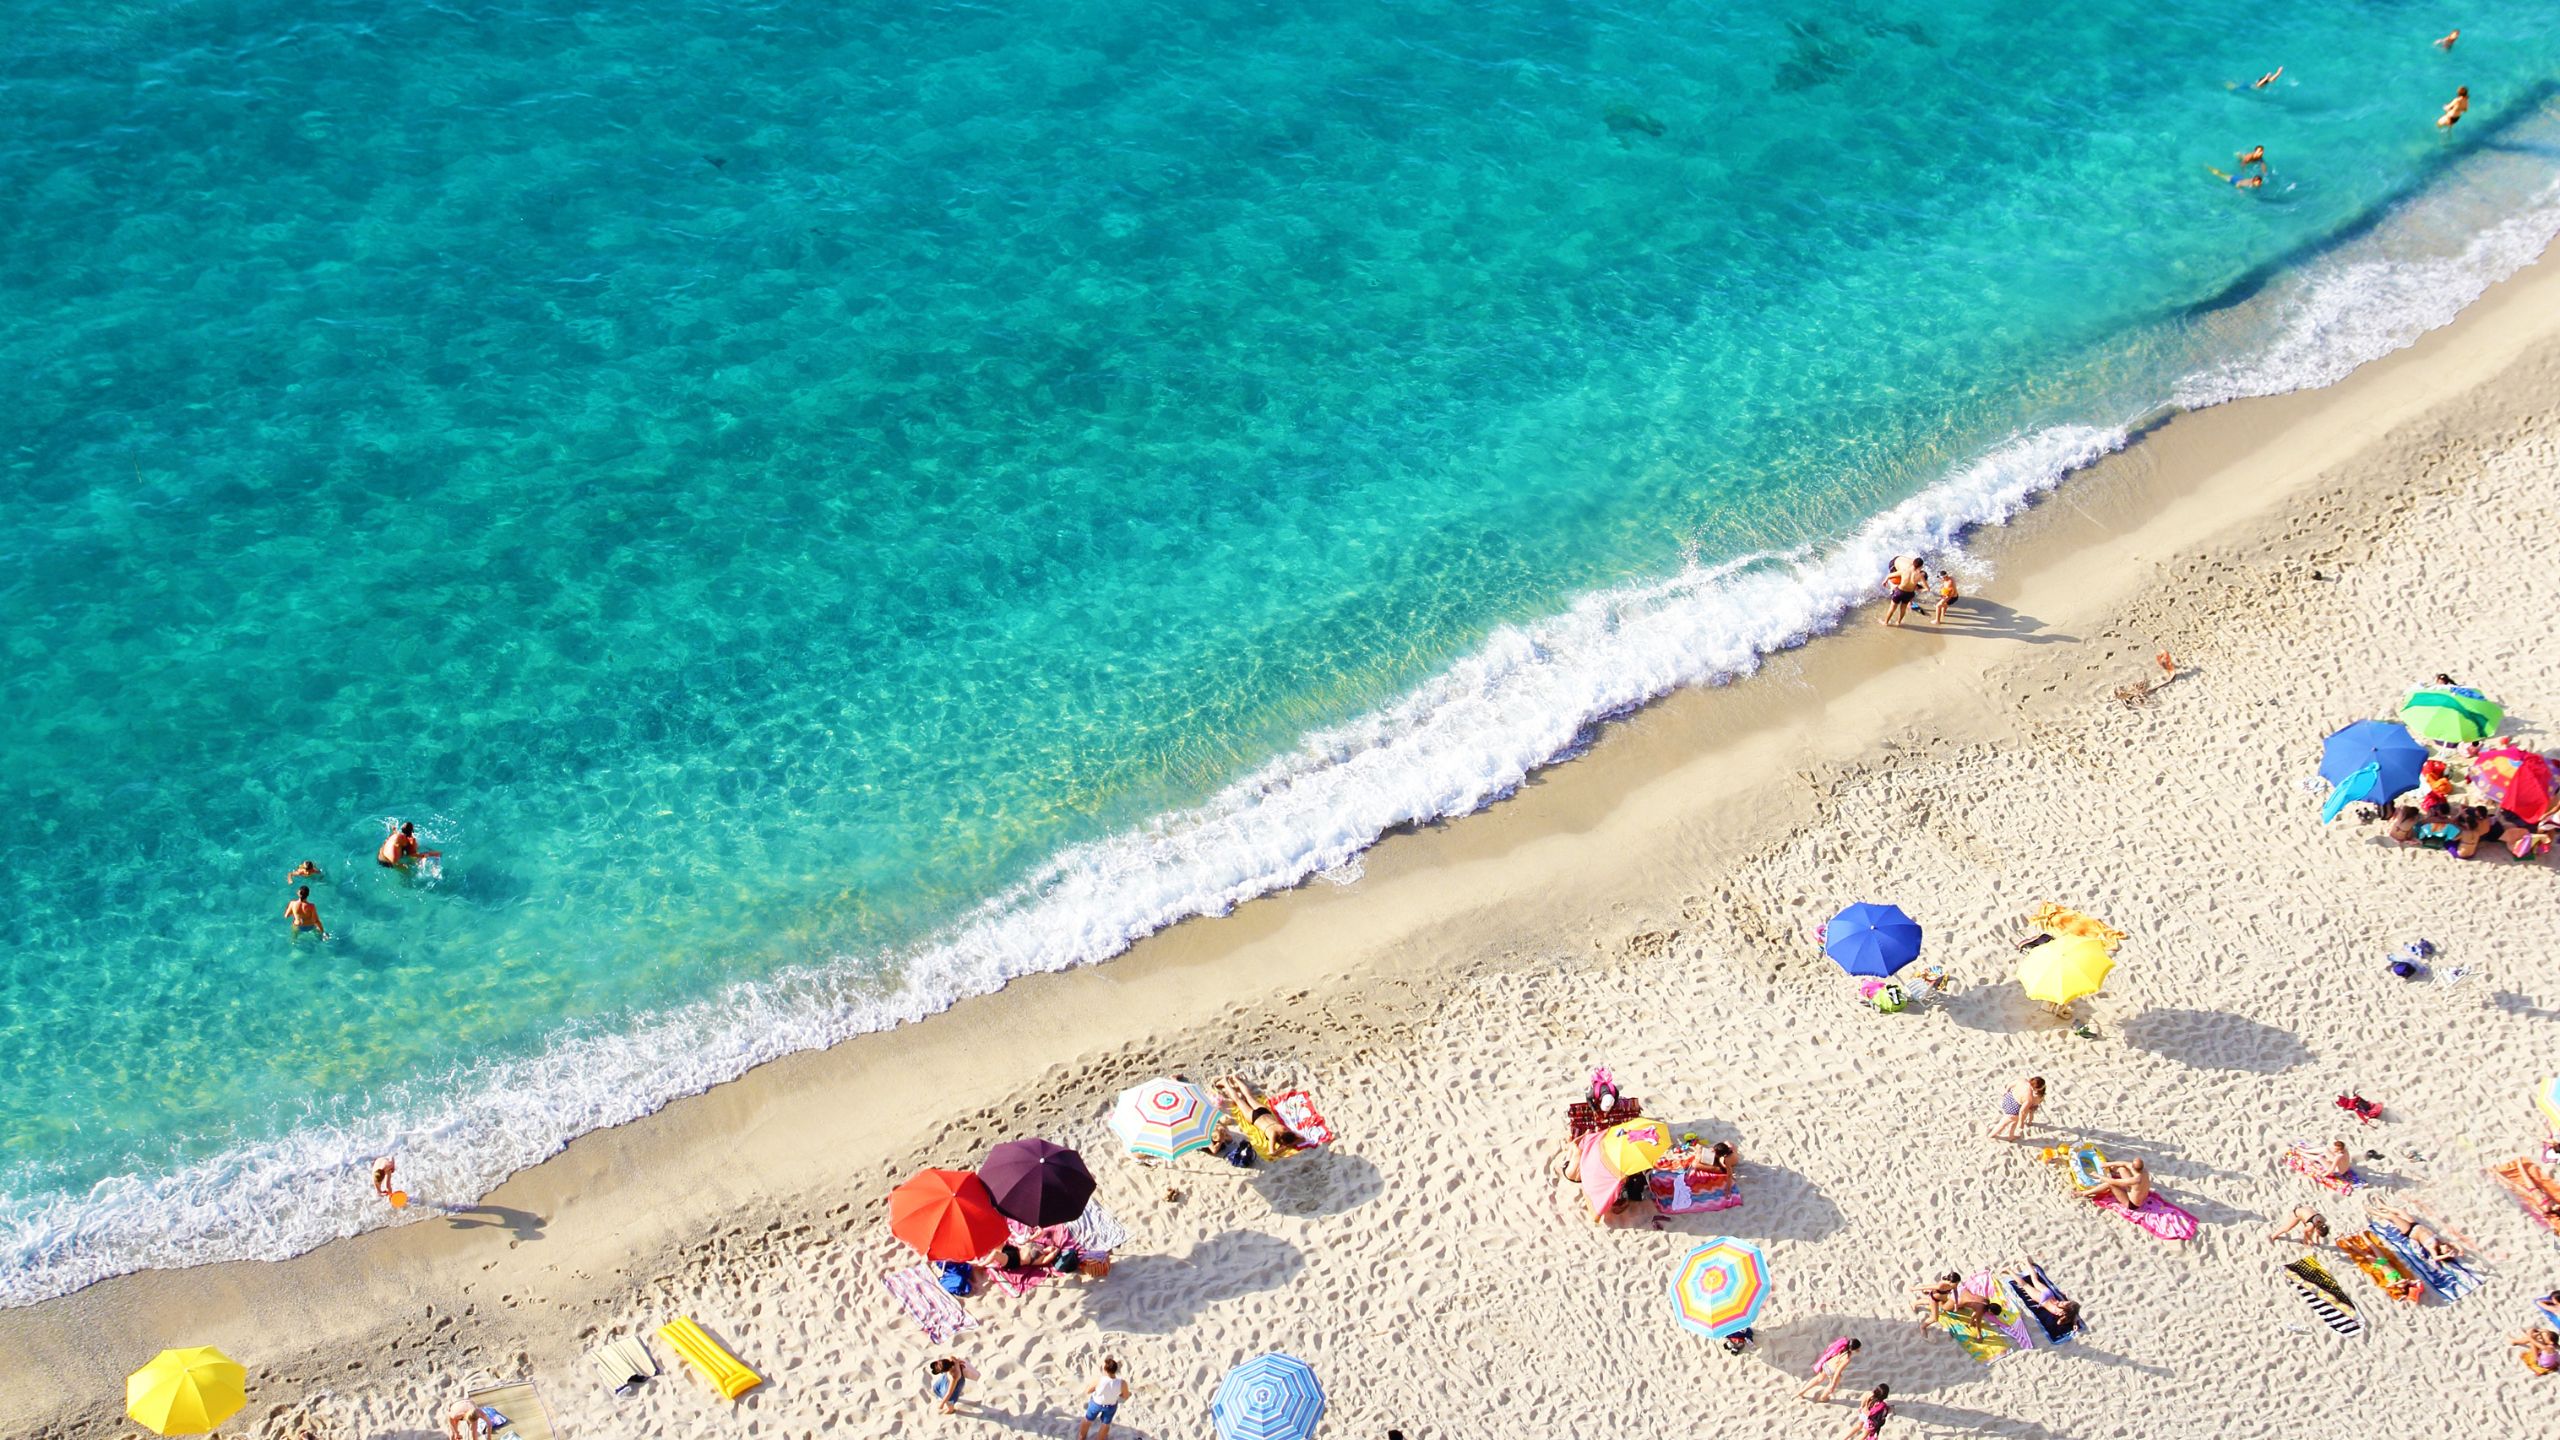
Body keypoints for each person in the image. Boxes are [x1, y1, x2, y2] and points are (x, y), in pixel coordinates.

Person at [2007, 1259, 2083, 1337]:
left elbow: (2072, 1313)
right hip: (2042, 1299)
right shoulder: (2063, 1313)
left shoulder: (2065, 1305)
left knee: (2034, 1278)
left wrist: (2074, 1320)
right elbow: (2060, 1322)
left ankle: (2026, 1262)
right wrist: (2072, 1322)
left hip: (2048, 1293)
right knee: (2025, 1285)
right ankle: (2009, 1271)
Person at [2372, 1202, 2466, 1261]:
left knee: (2393, 1217)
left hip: (2409, 1230)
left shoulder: (2432, 1247)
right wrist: (2460, 1250)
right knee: (2401, 1211)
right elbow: (2454, 1243)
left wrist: (2446, 1256)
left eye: (2447, 1250)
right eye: (2449, 1249)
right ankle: (2383, 1206)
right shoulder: (2441, 1242)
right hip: (2415, 1225)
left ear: (2442, 1252)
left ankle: (2374, 1212)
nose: (2448, 1248)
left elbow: (2435, 1258)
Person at [1076, 1357, 1131, 1439]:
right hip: (1110, 1406)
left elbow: (1088, 1390)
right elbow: (1125, 1396)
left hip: (1096, 1404)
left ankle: (1081, 1437)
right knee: (1105, 1424)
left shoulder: (1100, 1380)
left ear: (1105, 1370)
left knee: (1087, 1420)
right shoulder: (1122, 1383)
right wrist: (1117, 1393)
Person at [1794, 1336, 1861, 1402]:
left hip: (1827, 1364)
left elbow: (1830, 1347)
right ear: (1853, 1349)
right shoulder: (1847, 1359)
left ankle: (1801, 1392)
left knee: (1818, 1379)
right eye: (1857, 1349)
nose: (1859, 1350)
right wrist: (1833, 1384)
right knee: (1832, 1384)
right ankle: (1823, 1398)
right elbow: (1838, 1371)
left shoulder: (1842, 1347)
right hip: (1832, 1370)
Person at [1989, 1076, 2045, 1141]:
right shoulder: (2029, 1098)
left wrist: (2006, 1091)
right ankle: (1992, 1134)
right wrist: (2021, 1123)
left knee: (2011, 1121)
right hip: (2014, 1109)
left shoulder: (2022, 1080)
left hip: (2008, 1099)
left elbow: (2010, 1085)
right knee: (2005, 1123)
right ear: (2036, 1089)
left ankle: (2011, 1136)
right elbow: (2022, 1111)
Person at [1880, 558, 1921, 627]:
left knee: (1892, 607)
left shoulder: (1905, 570)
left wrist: (1885, 581)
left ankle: (1885, 622)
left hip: (1900, 592)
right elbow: (1915, 585)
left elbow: (1890, 576)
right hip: (1909, 593)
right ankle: (1898, 622)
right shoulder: (1919, 574)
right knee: (1903, 608)